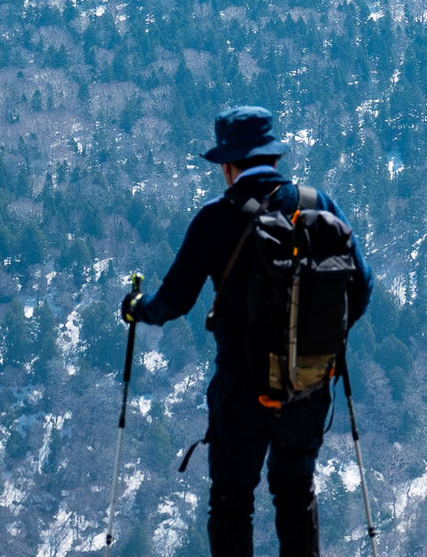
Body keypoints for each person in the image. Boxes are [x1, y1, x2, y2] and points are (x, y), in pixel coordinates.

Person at [122, 106, 373, 557]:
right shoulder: (317, 205)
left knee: (231, 502)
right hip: (308, 388)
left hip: (241, 390)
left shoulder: (215, 219)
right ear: (274, 157)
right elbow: (362, 286)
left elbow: (174, 302)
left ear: (227, 165)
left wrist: (138, 310)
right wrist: (319, 345)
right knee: (295, 493)